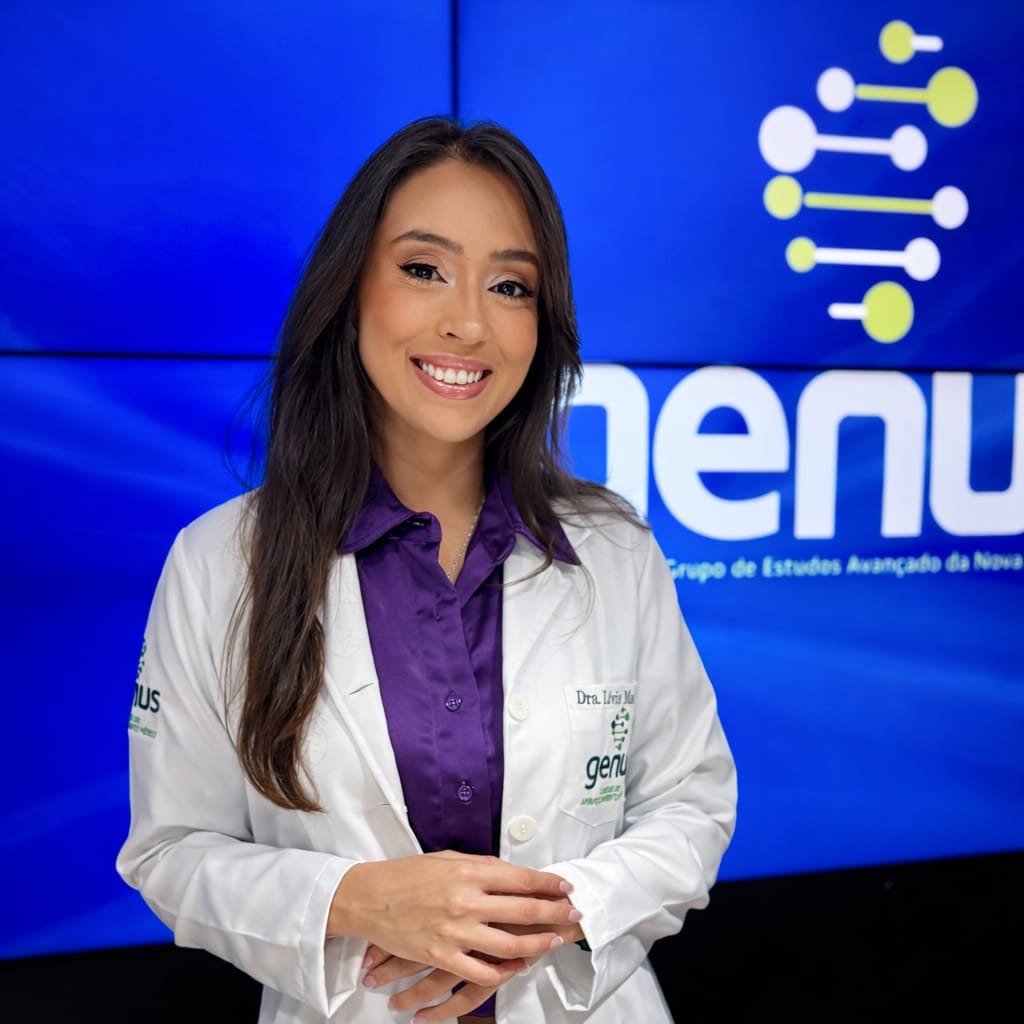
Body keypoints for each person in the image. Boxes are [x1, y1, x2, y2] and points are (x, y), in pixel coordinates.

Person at [117, 116, 736, 1024]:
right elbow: (170, 852)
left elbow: (692, 801)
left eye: (511, 286)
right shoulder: (220, 564)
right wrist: (354, 900)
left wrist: (561, 914)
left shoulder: (615, 548)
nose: (469, 323)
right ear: (349, 289)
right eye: (423, 269)